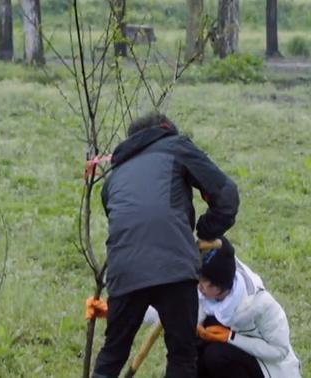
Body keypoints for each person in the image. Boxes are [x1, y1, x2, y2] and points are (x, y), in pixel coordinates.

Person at [86, 112, 240, 378]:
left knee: (112, 355)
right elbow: (226, 194)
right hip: (175, 268)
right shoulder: (177, 147)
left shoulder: (112, 179)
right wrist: (206, 230)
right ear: (166, 130)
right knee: (182, 356)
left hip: (125, 272)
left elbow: (123, 223)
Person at [197, 237, 302, 378]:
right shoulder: (209, 292)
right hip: (236, 354)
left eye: (203, 284)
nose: (199, 287)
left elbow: (279, 351)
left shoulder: (260, 304)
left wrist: (230, 337)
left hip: (268, 368)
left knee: (216, 355)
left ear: (218, 287)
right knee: (193, 346)